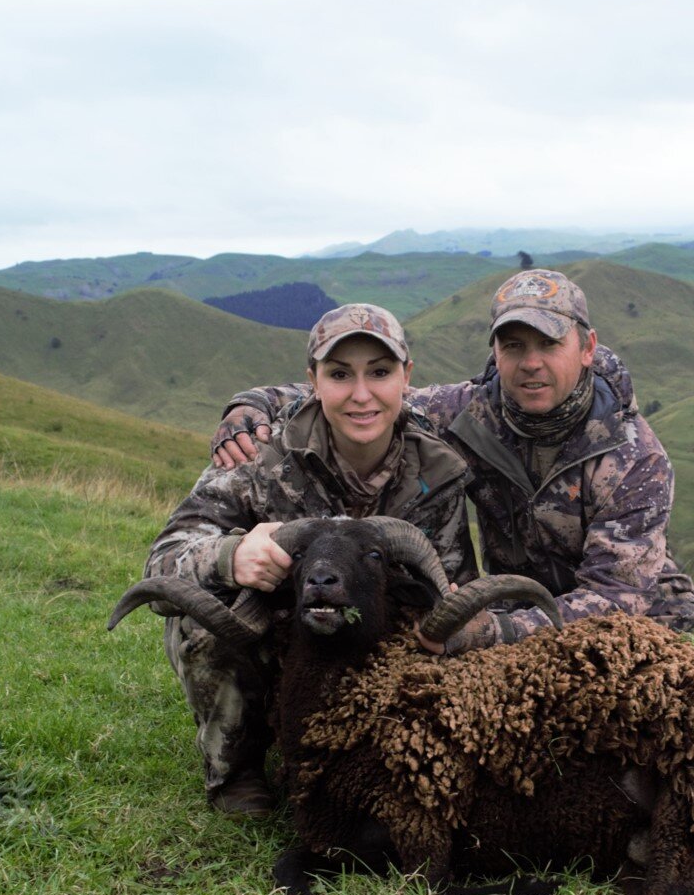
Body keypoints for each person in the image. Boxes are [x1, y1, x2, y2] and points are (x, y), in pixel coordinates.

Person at [213, 268, 694, 655]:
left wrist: (500, 629)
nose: (530, 362)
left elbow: (617, 597)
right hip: (512, 599)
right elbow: (368, 394)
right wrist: (255, 403)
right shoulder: (464, 411)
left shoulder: (636, 457)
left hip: (630, 614)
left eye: (549, 344)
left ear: (587, 347)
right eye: (514, 345)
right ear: (495, 349)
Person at [143, 303, 475, 815]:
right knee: (202, 618)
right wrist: (231, 556)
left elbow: (449, 584)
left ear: (406, 378)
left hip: (372, 645)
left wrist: (448, 607)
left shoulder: (437, 469)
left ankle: (371, 757)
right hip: (277, 636)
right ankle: (237, 768)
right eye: (340, 375)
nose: (361, 395)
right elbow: (163, 562)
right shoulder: (255, 454)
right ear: (313, 381)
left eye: (380, 373)